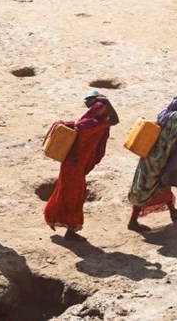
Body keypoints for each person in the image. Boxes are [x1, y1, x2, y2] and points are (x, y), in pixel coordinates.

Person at [43, 91, 120, 241]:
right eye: (103, 109)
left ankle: (55, 219)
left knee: (66, 193)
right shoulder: (93, 124)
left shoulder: (85, 122)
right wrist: (107, 101)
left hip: (72, 164)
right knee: (75, 197)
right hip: (75, 166)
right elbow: (115, 120)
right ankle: (70, 231)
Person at [127, 94, 177, 232]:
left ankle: (173, 212)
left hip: (150, 155)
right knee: (145, 188)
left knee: (162, 184)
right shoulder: (176, 118)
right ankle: (132, 221)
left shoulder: (164, 114)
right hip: (160, 159)